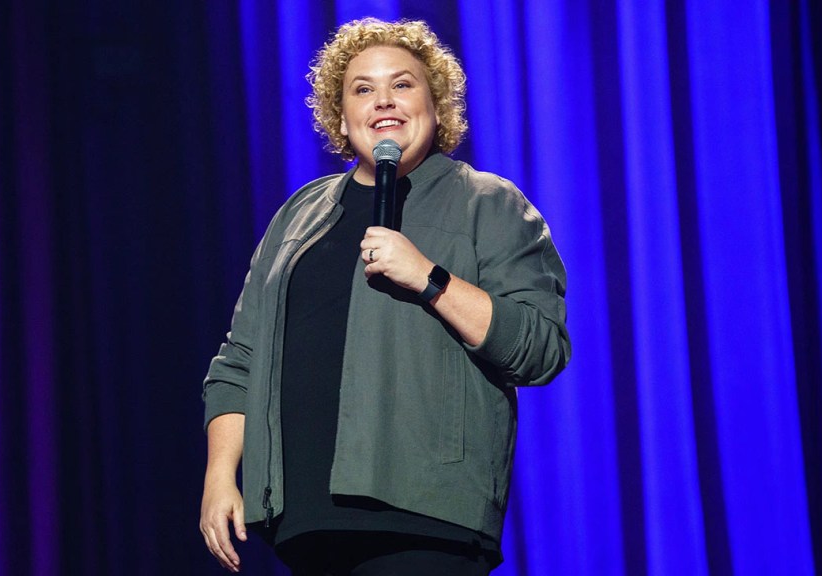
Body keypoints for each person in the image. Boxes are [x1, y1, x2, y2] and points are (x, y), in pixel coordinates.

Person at [200, 17, 570, 576]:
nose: (383, 102)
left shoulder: (486, 203)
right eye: (363, 89)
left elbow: (541, 347)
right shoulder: (300, 215)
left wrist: (430, 277)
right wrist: (220, 477)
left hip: (425, 514)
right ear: (341, 118)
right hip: (304, 518)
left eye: (403, 84)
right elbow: (239, 360)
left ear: (437, 105)